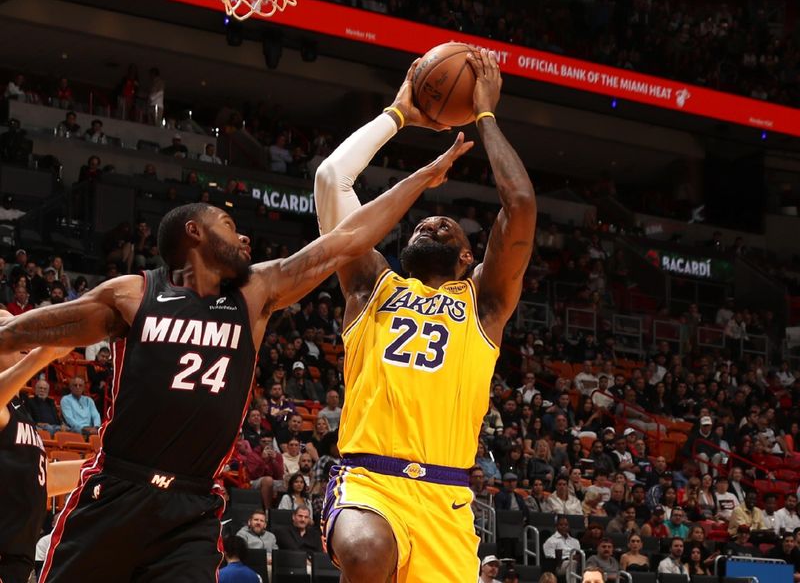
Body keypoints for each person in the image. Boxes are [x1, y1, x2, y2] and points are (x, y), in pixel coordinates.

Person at [0, 133, 464, 582]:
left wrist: (422, 177)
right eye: (229, 225)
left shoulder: (255, 292)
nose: (244, 238)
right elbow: (24, 330)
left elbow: (350, 238)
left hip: (193, 506)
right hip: (116, 490)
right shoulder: (134, 295)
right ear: (194, 232)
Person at [316, 49, 536, 582]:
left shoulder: (483, 304)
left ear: (468, 259)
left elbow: (522, 204)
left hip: (447, 501)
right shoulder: (371, 285)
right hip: (370, 481)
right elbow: (331, 180)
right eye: (424, 222)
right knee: (366, 553)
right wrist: (397, 115)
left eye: (449, 228)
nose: (432, 223)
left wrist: (484, 112)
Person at [0, 338, 82, 583]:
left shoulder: (18, 409)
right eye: (7, 327)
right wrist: (42, 355)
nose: (22, 333)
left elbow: (43, 477)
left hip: (17, 562)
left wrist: (108, 464)